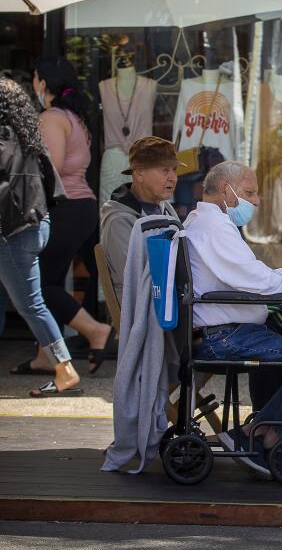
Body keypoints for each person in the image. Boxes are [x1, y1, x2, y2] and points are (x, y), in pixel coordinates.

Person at [184, 160, 282, 476]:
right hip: (225, 336)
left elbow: (251, 276)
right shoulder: (213, 227)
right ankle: (262, 434)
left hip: (227, 330)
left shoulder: (207, 221)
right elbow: (255, 280)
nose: (255, 201)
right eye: (250, 192)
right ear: (226, 190)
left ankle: (263, 430)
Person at [17, 58, 114, 377]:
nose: (33, 83)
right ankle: (48, 355)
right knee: (52, 279)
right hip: (82, 206)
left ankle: (95, 330)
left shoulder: (52, 117)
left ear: (43, 83)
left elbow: (51, 168)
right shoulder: (75, 117)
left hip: (65, 206)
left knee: (41, 285)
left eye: (35, 77)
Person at [0, 78, 83, 397]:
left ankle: (64, 368)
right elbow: (52, 183)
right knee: (28, 300)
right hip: (37, 224)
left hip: (13, 232)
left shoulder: (4, 141)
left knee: (31, 303)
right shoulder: (29, 139)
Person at [99, 137, 180, 308]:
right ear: (139, 173)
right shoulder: (118, 219)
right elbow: (133, 281)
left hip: (170, 305)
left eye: (174, 170)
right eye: (165, 170)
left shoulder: (166, 209)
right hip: (144, 315)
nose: (173, 177)